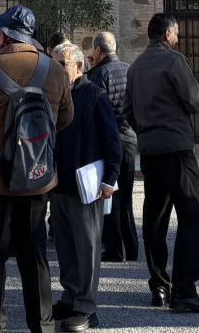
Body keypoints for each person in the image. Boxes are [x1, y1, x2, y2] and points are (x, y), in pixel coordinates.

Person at [0, 5, 74, 333]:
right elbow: (66, 117)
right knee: (35, 256)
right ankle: (43, 325)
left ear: (4, 36)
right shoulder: (54, 70)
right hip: (36, 178)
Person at [123, 12, 199, 313]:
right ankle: (184, 290)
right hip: (176, 147)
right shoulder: (174, 60)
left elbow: (127, 110)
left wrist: (145, 131)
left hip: (150, 150)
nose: (178, 36)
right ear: (167, 34)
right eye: (176, 32)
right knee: (191, 215)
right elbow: (195, 100)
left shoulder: (136, 67)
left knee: (155, 219)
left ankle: (159, 285)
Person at [51, 42, 120, 332]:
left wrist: (109, 179)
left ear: (78, 67)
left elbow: (112, 140)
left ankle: (86, 307)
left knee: (87, 248)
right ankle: (70, 296)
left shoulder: (94, 95)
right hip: (59, 185)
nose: (55, 70)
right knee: (65, 247)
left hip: (86, 187)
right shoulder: (54, 93)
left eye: (61, 64)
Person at [87, 31, 139, 262]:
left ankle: (115, 249)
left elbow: (95, 110)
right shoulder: (129, 69)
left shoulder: (98, 74)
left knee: (110, 195)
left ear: (98, 50)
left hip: (109, 142)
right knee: (126, 197)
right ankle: (131, 246)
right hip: (129, 139)